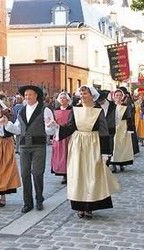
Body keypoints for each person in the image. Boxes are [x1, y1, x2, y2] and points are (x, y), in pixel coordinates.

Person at [48, 85, 119, 219]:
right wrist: (57, 127)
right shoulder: (75, 109)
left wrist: (105, 152)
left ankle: (90, 207)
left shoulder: (98, 110)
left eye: (85, 93)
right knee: (78, 175)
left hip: (93, 144)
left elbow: (104, 131)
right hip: (77, 145)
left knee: (91, 175)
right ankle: (79, 206)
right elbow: (70, 128)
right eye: (81, 93)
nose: (82, 96)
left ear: (92, 95)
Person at [0, 85, 55, 213]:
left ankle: (39, 199)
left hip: (38, 146)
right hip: (24, 146)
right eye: (25, 95)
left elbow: (49, 131)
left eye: (30, 94)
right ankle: (27, 202)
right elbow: (18, 129)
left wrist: (50, 127)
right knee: (24, 174)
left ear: (36, 95)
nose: (27, 97)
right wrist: (7, 123)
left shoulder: (44, 110)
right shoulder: (22, 111)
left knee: (37, 173)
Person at [110, 89, 134, 172]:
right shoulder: (111, 106)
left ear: (122, 96)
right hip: (113, 128)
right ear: (114, 96)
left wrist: (129, 129)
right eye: (117, 95)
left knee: (122, 146)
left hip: (123, 128)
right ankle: (113, 164)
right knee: (114, 145)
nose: (118, 97)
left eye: (120, 95)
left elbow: (129, 118)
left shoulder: (125, 106)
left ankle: (121, 163)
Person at [51, 91, 72, 184]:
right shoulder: (55, 110)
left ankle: (69, 173)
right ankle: (63, 173)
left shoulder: (72, 110)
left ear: (68, 100)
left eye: (64, 98)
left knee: (69, 154)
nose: (63, 99)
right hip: (58, 135)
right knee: (60, 155)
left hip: (68, 135)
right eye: (61, 98)